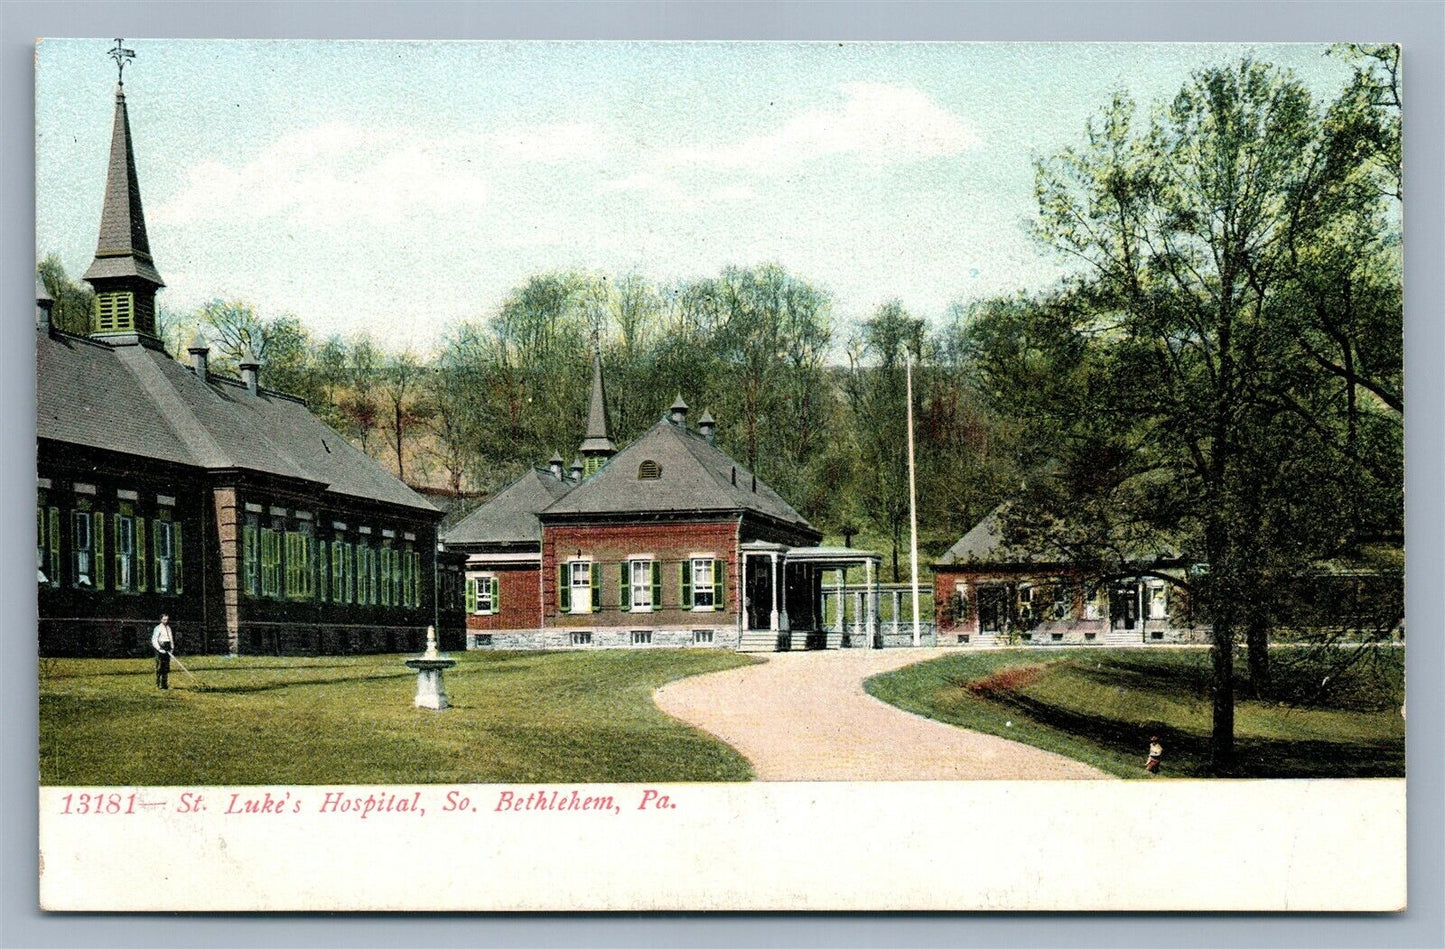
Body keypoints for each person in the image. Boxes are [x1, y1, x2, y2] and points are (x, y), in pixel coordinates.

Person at [151, 615, 175, 690]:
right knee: (159, 667)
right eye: (164, 620)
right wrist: (159, 649)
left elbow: (171, 638)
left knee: (166, 668)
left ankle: (164, 685)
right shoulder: (157, 628)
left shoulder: (168, 628)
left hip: (167, 647)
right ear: (161, 620)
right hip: (160, 648)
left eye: (167, 620)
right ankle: (157, 685)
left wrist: (172, 647)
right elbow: (154, 640)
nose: (166, 621)